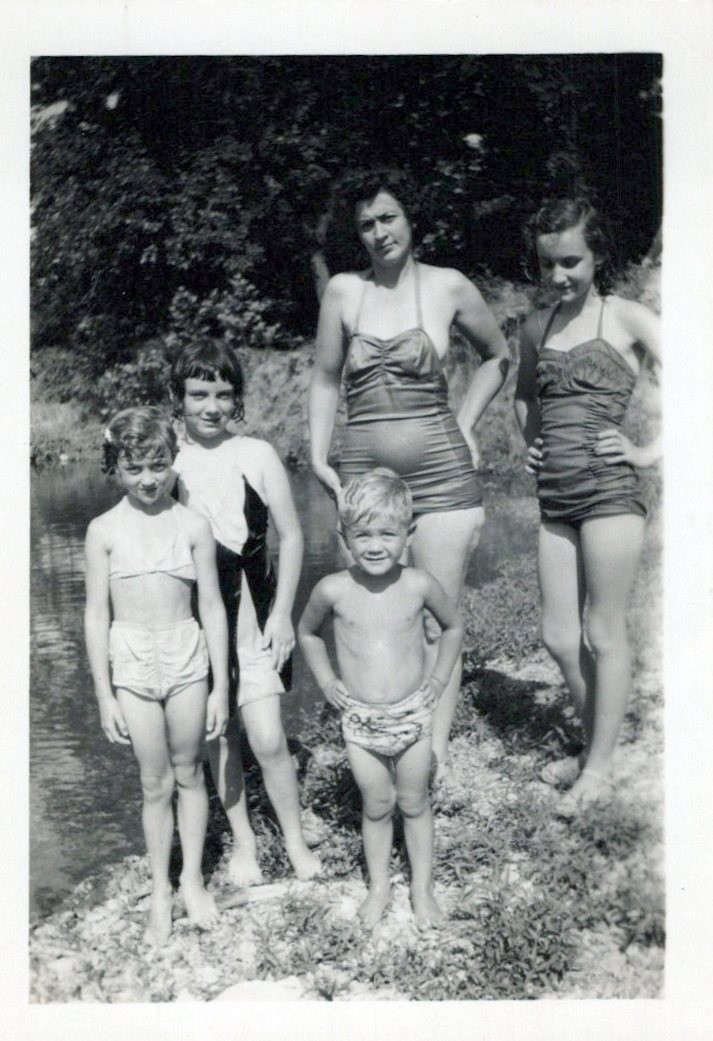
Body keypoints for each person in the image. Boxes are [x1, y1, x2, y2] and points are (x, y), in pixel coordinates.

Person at [308, 169, 509, 801]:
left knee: (432, 619)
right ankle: (375, 744)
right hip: (364, 485)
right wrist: (317, 456)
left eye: (388, 217)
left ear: (411, 218)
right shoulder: (344, 291)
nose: (378, 232)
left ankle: (433, 754)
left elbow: (498, 356)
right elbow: (324, 379)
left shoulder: (449, 286)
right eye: (366, 224)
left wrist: (467, 423)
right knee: (372, 617)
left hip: (444, 476)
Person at [514, 196, 661, 818]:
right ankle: (599, 746)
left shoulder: (627, 317)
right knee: (557, 635)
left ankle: (598, 768)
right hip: (555, 496)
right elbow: (525, 397)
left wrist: (647, 452)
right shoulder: (536, 327)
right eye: (548, 263)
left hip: (610, 493)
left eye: (571, 261)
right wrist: (531, 441)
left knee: (603, 630)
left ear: (598, 254)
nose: (558, 276)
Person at [169, 339, 321, 883]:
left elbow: (293, 536)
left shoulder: (257, 453)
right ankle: (244, 843)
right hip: (198, 617)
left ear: (237, 399)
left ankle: (296, 840)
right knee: (219, 735)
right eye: (198, 394)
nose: (212, 407)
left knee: (268, 736)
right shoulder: (170, 461)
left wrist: (283, 615)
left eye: (223, 394)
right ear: (178, 397)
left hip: (256, 613)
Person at [84, 406, 229, 946]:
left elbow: (212, 607)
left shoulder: (193, 525)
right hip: (132, 661)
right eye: (134, 469)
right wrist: (104, 693)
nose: (147, 479)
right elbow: (96, 614)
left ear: (173, 460)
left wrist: (221, 687)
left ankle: (192, 879)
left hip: (187, 656)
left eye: (158, 466)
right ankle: (161, 891)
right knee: (154, 781)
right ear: (115, 468)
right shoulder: (103, 531)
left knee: (189, 771)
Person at [298, 469, 463, 928]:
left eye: (387, 534)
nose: (375, 546)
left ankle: (423, 889)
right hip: (360, 719)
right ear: (344, 538)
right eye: (363, 535)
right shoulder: (333, 589)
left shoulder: (419, 584)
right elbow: (307, 633)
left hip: (412, 713)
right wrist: (326, 679)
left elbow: (453, 627)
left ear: (409, 534)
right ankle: (379, 886)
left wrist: (439, 678)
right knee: (376, 805)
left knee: (414, 802)